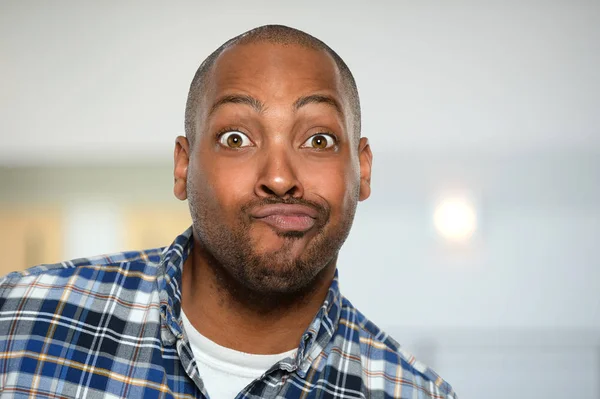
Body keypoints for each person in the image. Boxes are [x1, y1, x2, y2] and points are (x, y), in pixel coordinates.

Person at [0, 25, 457, 399]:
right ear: (183, 166)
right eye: (236, 138)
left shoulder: (416, 394)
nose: (280, 178)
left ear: (363, 170)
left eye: (318, 140)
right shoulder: (18, 319)